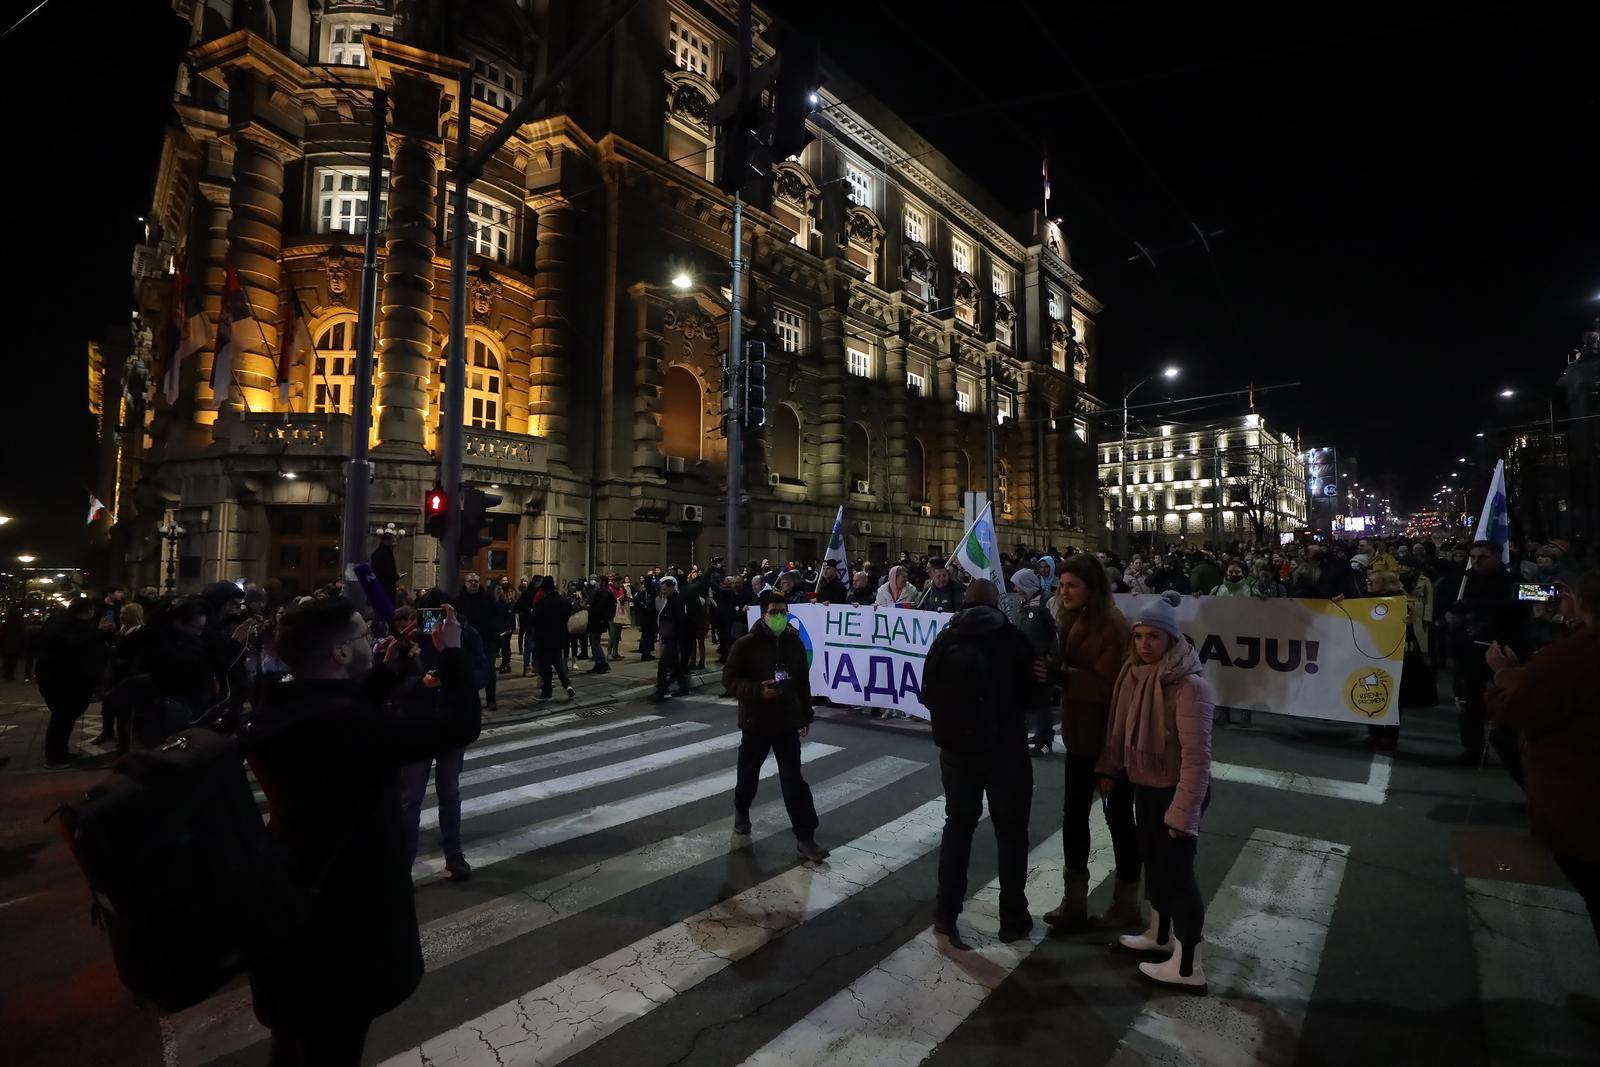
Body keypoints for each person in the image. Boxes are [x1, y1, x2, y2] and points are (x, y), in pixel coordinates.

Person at [241, 597, 480, 1066]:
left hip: (289, 905)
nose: (375, 639)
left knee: (295, 1043)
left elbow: (336, 711)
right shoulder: (349, 727)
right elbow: (459, 725)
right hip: (342, 924)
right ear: (341, 654)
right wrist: (452, 653)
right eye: (360, 634)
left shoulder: (275, 710)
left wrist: (386, 676)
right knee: (333, 1047)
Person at [1484, 568, 1600, 1027]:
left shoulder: (1577, 657)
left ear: (1574, 600)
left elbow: (1517, 707)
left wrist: (1504, 674)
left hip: (1584, 807)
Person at [1098, 590, 1215, 992]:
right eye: (1138, 636)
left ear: (1171, 639)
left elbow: (1197, 761)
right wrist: (1112, 768)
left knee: (1179, 875)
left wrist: (1183, 812)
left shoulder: (1189, 687)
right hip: (1145, 786)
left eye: (1153, 637)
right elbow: (1120, 728)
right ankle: (1159, 935)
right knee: (1157, 867)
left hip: (1175, 791)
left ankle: (1187, 967)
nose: (1144, 645)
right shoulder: (1134, 673)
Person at [918, 579, 1042, 946]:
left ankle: (946, 912)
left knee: (958, 827)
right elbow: (1036, 699)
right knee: (1012, 835)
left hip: (957, 753)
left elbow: (926, 693)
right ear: (996, 605)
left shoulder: (945, 640)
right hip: (1006, 752)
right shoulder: (1013, 639)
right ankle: (1012, 918)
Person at [1044, 554, 1139, 932]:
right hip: (1080, 735)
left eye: (1072, 586)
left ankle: (1127, 903)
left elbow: (1108, 687)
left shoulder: (1111, 626)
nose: (1064, 592)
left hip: (1108, 742)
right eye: (1062, 585)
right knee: (1074, 818)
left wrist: (1062, 677)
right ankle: (1075, 902)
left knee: (1118, 821)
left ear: (1092, 589)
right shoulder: (1072, 618)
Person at [721, 591, 830, 863]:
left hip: (786, 721)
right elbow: (729, 680)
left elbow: (803, 683)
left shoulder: (794, 643)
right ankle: (742, 810)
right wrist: (757, 690)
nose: (780, 617)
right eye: (774, 612)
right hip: (755, 721)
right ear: (763, 615)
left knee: (793, 780)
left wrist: (805, 715)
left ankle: (805, 837)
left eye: (783, 612)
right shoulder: (746, 644)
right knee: (748, 774)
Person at [389, 606, 471, 882]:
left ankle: (454, 854)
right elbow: (391, 684)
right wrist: (419, 684)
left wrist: (454, 676)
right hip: (415, 728)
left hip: (447, 727)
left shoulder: (461, 640)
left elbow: (481, 672)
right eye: (423, 617)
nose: (431, 622)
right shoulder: (405, 645)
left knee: (450, 793)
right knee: (410, 799)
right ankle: (403, 863)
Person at [1448, 541, 1522, 774]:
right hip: (1468, 651)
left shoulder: (1512, 581)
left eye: (1483, 557)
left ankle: (1514, 748)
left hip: (1501, 650)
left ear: (1498, 557)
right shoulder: (1463, 579)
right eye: (1473, 557)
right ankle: (1472, 748)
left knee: (1509, 699)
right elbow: (1446, 606)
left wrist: (1474, 607)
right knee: (1468, 701)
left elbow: (1516, 609)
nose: (1476, 561)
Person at [36, 600, 110, 768]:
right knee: (63, 719)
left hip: (52, 680)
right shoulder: (80, 629)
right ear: (89, 611)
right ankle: (56, 757)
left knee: (61, 719)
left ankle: (59, 753)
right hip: (70, 682)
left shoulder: (54, 624)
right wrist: (100, 634)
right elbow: (83, 650)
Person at [1011, 569, 1058, 757]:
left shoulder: (1048, 600)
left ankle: (1045, 741)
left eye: (1017, 584)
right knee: (1033, 700)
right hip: (1027, 662)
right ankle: (1039, 733)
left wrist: (1051, 657)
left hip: (1043, 662)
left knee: (1043, 702)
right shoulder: (1026, 602)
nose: (1015, 588)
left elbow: (1058, 631)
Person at [454, 572, 498, 710]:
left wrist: (494, 631)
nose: (473, 583)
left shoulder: (488, 599)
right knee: (468, 670)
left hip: (486, 639)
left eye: (476, 581)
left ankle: (491, 699)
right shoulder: (459, 600)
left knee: (490, 669)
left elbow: (496, 616)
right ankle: (471, 699)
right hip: (467, 641)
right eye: (471, 581)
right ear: (465, 583)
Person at [529, 576, 576, 700]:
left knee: (546, 666)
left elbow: (534, 619)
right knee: (559, 663)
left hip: (544, 638)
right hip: (559, 636)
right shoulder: (563, 600)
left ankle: (547, 693)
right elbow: (567, 615)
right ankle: (568, 685)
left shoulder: (544, 602)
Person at [652, 575, 692, 703]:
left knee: (663, 664)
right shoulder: (669, 599)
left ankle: (661, 691)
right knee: (674, 664)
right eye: (662, 589)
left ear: (671, 588)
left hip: (673, 638)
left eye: (664, 589)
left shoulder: (677, 601)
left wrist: (678, 638)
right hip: (669, 637)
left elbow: (681, 621)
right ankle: (683, 687)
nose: (662, 591)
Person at [585, 578, 614, 674]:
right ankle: (598, 663)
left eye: (598, 581)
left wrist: (589, 607)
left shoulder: (603, 593)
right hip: (599, 620)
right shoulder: (605, 592)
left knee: (595, 643)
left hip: (598, 620)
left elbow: (599, 607)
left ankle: (602, 663)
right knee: (594, 642)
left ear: (602, 582)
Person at [370, 530, 400, 605]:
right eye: (393, 541)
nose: (395, 544)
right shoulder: (384, 554)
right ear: (386, 541)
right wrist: (396, 576)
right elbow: (387, 571)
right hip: (386, 588)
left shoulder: (378, 553)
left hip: (381, 588)